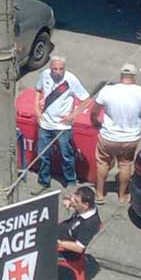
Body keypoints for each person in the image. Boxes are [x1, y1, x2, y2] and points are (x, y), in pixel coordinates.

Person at [90, 63, 141, 204]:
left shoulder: (107, 90)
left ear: (121, 76)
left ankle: (100, 194)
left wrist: (95, 122)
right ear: (134, 77)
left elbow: (94, 111)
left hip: (108, 136)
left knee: (103, 163)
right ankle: (122, 195)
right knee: (125, 165)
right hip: (130, 138)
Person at [35, 55, 89, 192]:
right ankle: (43, 181)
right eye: (55, 69)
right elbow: (38, 90)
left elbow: (86, 99)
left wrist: (73, 115)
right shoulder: (44, 75)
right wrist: (36, 109)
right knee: (43, 154)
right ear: (50, 68)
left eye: (61, 69)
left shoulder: (71, 79)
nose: (58, 72)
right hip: (45, 124)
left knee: (67, 155)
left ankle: (70, 181)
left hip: (63, 127)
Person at [56, 186, 101, 257]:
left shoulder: (90, 224)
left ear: (86, 205)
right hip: (63, 230)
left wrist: (58, 243)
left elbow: (79, 248)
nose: (73, 201)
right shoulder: (86, 208)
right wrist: (68, 200)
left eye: (76, 201)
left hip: (67, 251)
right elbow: (69, 196)